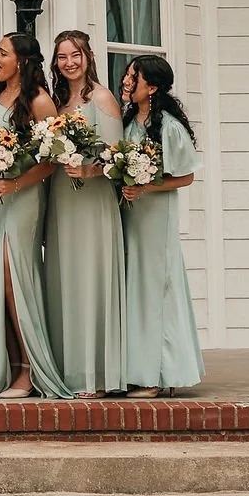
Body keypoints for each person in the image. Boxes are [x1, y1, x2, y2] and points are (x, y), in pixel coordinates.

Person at [0, 34, 71, 399]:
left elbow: (51, 162)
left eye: (2, 53)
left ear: (22, 61)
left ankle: (31, 369)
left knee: (14, 277)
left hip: (22, 200)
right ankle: (9, 365)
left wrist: (15, 184)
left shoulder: (40, 102)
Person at [45, 29, 127, 396]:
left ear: (88, 56)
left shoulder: (102, 97)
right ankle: (68, 370)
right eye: (62, 57)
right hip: (63, 197)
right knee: (66, 278)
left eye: (75, 55)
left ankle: (95, 374)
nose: (69, 63)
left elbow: (118, 157)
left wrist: (91, 170)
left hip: (92, 199)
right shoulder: (59, 100)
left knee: (91, 278)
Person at [121, 55, 205, 397]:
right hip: (130, 214)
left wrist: (146, 186)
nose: (126, 81)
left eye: (133, 77)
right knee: (135, 291)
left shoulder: (169, 126)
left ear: (151, 87)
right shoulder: (128, 122)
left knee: (156, 291)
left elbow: (185, 176)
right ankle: (135, 367)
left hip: (156, 218)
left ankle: (157, 373)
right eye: (127, 75)